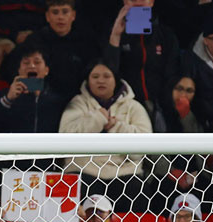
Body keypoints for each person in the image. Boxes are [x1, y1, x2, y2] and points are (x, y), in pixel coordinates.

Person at [59, 61, 152, 209]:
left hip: (124, 172)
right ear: (88, 80)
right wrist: (97, 119)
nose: (100, 81)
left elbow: (142, 149)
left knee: (136, 189)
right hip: (84, 170)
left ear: (116, 80)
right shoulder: (77, 104)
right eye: (95, 76)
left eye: (106, 76)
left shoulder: (134, 107)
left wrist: (116, 126)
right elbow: (65, 140)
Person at [104, 0, 180, 127]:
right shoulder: (112, 34)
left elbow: (172, 74)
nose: (138, 3)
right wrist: (115, 36)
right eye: (133, 0)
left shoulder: (166, 35)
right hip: (124, 107)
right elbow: (108, 74)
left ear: (151, 2)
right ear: (125, 2)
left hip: (160, 106)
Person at [0, 43, 65, 133]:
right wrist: (7, 100)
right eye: (26, 63)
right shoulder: (5, 96)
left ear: (46, 70)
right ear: (19, 70)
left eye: (37, 62)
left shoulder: (57, 101)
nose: (32, 66)